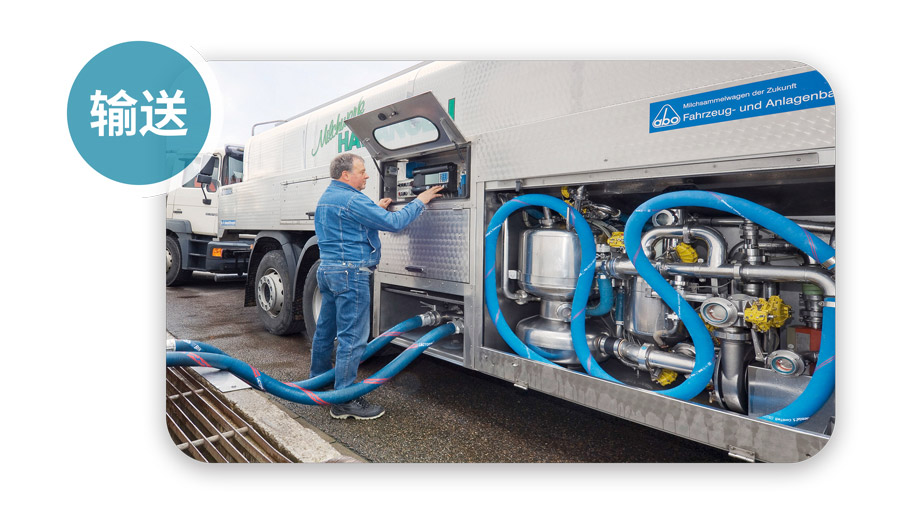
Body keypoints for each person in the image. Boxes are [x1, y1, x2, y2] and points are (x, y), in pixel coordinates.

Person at [309, 153, 444, 419]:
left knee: (325, 331)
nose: (367, 175)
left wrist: (375, 209)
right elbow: (395, 223)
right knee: (352, 338)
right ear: (346, 175)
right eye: (361, 171)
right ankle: (344, 400)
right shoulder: (352, 199)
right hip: (350, 274)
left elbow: (350, 222)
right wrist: (421, 200)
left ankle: (318, 382)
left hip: (328, 271)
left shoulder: (329, 197)